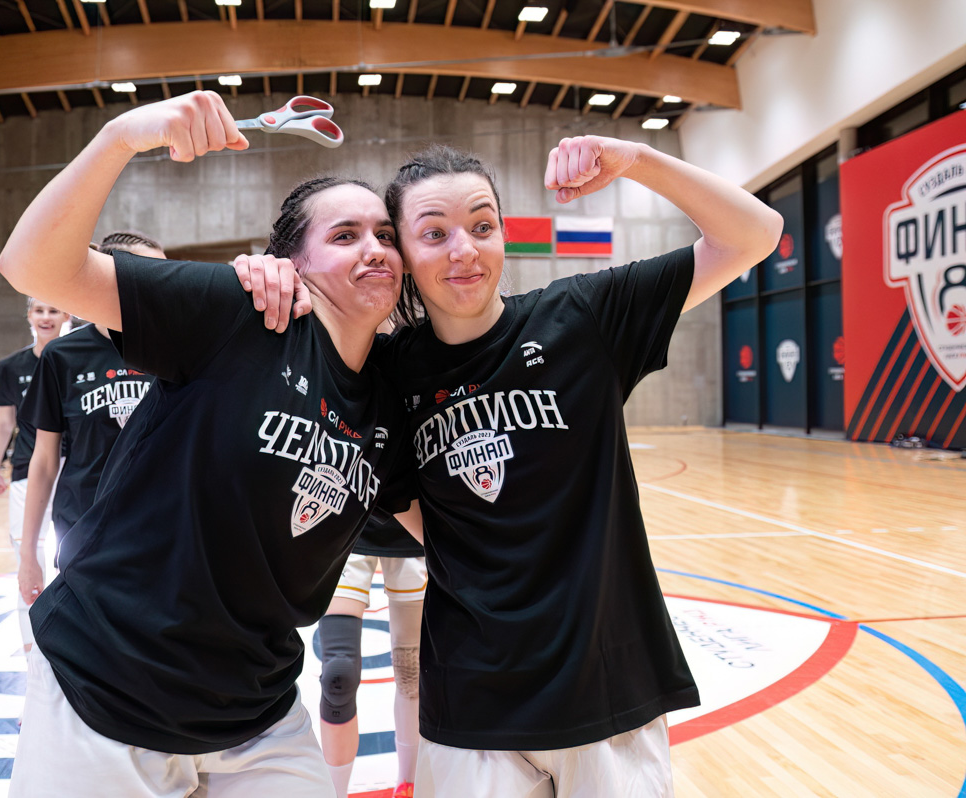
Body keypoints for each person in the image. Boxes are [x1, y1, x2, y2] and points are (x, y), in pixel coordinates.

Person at [241, 137, 783, 796]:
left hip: (606, 692)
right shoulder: (388, 374)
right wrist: (266, 274)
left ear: (504, 235)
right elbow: (419, 518)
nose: (463, 249)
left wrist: (637, 159)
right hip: (472, 704)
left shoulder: (581, 319)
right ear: (405, 256)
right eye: (433, 233)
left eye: (482, 226)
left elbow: (755, 235)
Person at [0, 89, 416, 798]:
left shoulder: (389, 396)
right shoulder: (240, 314)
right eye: (344, 235)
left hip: (254, 709)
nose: (374, 247)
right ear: (292, 264)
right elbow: (34, 267)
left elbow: (447, 527)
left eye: (384, 234)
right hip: (109, 685)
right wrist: (120, 137)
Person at [15, 230, 164, 615]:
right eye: (150, 272)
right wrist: (28, 552)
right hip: (82, 524)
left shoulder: (178, 348)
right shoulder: (63, 356)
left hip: (159, 526)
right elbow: (44, 461)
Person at [318, 507, 424, 798]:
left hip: (412, 527)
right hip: (347, 521)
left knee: (410, 672)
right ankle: (334, 791)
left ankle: (407, 784)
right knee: (338, 674)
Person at [0, 298, 71, 653]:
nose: (46, 317)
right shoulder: (11, 366)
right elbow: (5, 421)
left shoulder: (79, 357)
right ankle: (30, 650)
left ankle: (73, 643)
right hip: (27, 469)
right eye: (39, 310)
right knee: (28, 558)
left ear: (67, 315)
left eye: (54, 310)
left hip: (76, 468)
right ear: (28, 316)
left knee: (73, 556)